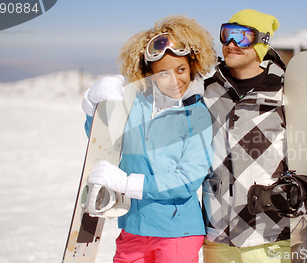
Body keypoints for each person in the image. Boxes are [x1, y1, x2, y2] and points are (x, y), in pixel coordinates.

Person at [201, 9, 307, 263]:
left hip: (270, 235)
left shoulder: (285, 92)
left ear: (262, 43)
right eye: (227, 33)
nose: (231, 43)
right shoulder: (208, 92)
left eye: (243, 37)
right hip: (218, 236)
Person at [81, 15, 217, 263]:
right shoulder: (135, 105)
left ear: (193, 66)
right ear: (149, 74)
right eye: (163, 73)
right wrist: (93, 107)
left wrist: (127, 184)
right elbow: (103, 143)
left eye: (181, 70)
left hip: (177, 234)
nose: (175, 81)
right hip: (133, 228)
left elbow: (187, 179)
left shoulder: (196, 116)